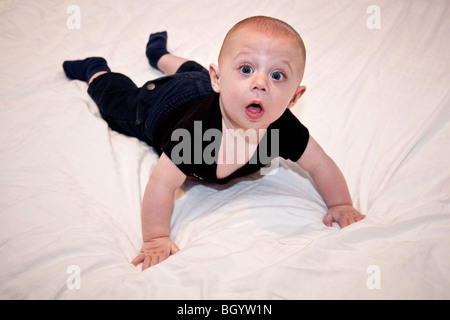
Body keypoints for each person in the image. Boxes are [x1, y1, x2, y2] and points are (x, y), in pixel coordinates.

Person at [62, 16, 365, 271]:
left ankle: (159, 55)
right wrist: (155, 238)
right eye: (246, 69)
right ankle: (97, 70)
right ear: (218, 79)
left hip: (204, 86)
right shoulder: (196, 136)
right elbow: (162, 185)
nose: (260, 82)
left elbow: (320, 164)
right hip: (161, 105)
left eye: (277, 75)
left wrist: (340, 204)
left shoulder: (283, 129)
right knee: (118, 105)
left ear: (294, 98)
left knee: (191, 72)